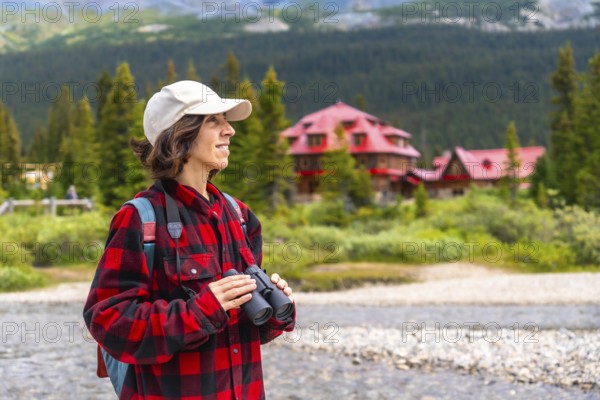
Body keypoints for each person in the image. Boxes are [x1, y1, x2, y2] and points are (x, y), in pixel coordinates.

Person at [83, 80, 296, 399]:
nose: (230, 130)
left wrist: (276, 313)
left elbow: (242, 333)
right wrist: (200, 311)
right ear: (178, 135)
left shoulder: (239, 215)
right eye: (214, 120)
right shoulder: (140, 218)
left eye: (225, 119)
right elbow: (107, 320)